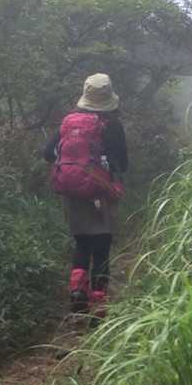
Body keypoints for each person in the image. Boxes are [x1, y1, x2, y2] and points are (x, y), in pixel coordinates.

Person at [43, 72, 128, 317]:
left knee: (82, 242)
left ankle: (78, 293)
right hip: (101, 192)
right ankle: (98, 305)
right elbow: (123, 164)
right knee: (101, 246)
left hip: (73, 193)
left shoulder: (70, 122)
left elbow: (48, 153)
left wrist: (74, 166)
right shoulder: (113, 125)